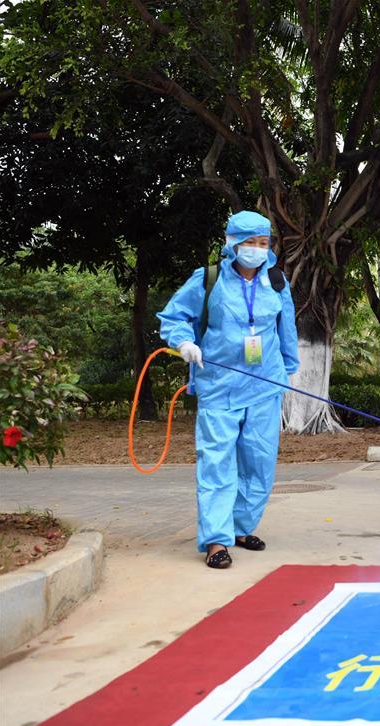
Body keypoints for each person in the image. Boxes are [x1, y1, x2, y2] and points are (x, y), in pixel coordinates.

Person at [158, 211, 300, 568]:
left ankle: (240, 527)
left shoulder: (276, 281)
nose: (256, 249)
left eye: (263, 242)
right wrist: (184, 342)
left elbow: (286, 329)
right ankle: (216, 541)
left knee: (259, 463)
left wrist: (289, 368)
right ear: (231, 243)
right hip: (219, 386)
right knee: (217, 463)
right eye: (249, 242)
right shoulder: (208, 280)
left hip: (264, 386)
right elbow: (174, 317)